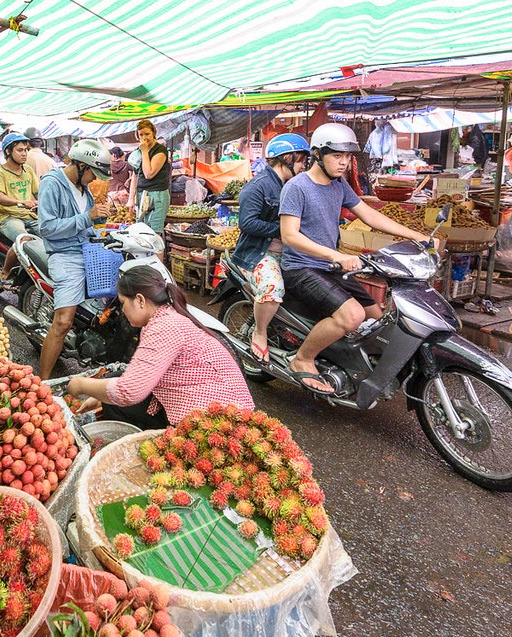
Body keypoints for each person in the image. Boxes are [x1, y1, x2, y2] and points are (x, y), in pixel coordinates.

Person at [280, 123, 433, 394]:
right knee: (353, 315)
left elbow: (370, 215)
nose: (344, 163)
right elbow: (290, 235)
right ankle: (302, 358)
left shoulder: (339, 185)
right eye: (337, 156)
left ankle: (347, 360)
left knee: (379, 317)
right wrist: (336, 255)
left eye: (347, 157)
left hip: (329, 266)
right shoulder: (297, 187)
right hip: (301, 267)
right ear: (317, 154)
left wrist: (415, 235)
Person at [67, 265, 254, 428]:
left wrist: (81, 385)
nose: (122, 310)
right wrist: (99, 395)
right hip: (221, 404)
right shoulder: (167, 315)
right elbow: (138, 374)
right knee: (116, 381)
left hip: (217, 420)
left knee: (117, 401)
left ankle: (144, 443)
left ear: (140, 300)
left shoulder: (164, 327)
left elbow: (128, 392)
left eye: (123, 303)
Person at [230, 133, 310, 362]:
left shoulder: (292, 186)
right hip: (259, 254)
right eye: (301, 160)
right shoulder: (259, 187)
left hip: (289, 253)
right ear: (287, 158)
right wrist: (282, 230)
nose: (304, 166)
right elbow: (247, 223)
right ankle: (260, 331)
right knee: (272, 288)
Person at [37, 139, 112, 379]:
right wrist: (88, 218)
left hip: (87, 251)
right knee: (62, 323)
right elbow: (47, 228)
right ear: (80, 165)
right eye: (93, 173)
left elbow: (85, 223)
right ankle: (43, 384)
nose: (95, 179)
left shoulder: (83, 187)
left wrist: (100, 219)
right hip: (65, 255)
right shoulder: (52, 184)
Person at [0, 133, 40, 285]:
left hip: (30, 215)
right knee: (23, 240)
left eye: (26, 150)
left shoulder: (28, 170)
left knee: (51, 235)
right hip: (8, 216)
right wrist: (21, 202)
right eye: (19, 150)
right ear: (8, 151)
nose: (24, 153)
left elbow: (37, 193)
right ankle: (6, 271)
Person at [127, 119, 170, 233]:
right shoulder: (139, 151)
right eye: (141, 134)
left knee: (154, 234)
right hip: (141, 194)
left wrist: (145, 152)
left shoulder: (160, 150)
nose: (144, 137)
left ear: (153, 133)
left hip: (157, 195)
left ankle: (158, 252)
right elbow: (136, 176)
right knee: (142, 233)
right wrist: (131, 198)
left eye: (147, 134)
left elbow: (149, 174)